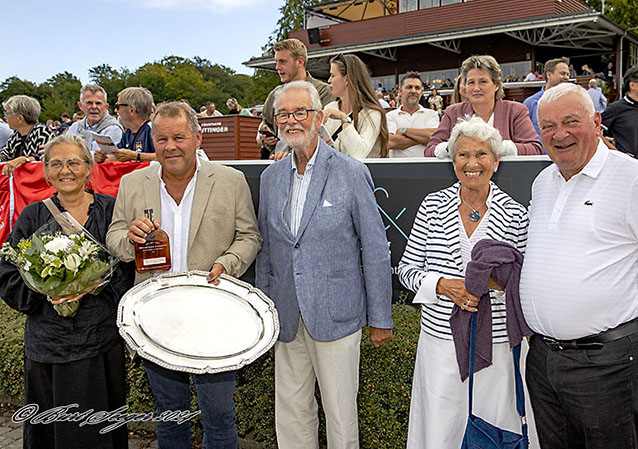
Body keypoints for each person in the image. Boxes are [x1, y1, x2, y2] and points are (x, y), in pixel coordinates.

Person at [520, 82, 638, 449]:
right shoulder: (544, 181)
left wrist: (636, 307)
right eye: (547, 125)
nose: (559, 134)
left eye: (571, 121)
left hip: (607, 362)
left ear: (596, 122)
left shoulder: (634, 179)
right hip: (544, 360)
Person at [106, 101, 262, 449]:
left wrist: (228, 263)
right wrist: (129, 240)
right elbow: (113, 237)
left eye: (179, 137)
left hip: (214, 317)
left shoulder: (230, 181)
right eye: (161, 139)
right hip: (155, 318)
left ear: (198, 137)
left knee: (220, 420)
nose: (170, 146)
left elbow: (250, 236)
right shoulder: (133, 184)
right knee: (170, 416)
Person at [255, 81, 393, 449]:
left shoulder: (350, 172)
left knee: (339, 412)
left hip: (337, 315)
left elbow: (375, 248)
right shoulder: (270, 178)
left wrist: (380, 316)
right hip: (286, 314)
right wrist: (266, 314)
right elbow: (268, 252)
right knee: (292, 410)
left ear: (318, 117)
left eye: (301, 112)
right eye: (284, 114)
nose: (292, 121)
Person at [398, 116, 539, 448]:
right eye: (463, 155)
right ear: (452, 160)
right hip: (440, 344)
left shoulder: (517, 214)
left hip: (497, 346)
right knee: (440, 431)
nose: (472, 163)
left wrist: (493, 283)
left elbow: (526, 281)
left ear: (496, 160)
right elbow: (406, 270)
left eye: (481, 154)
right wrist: (442, 284)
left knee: (495, 430)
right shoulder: (432, 207)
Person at [0, 134, 134, 448]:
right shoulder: (33, 215)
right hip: (48, 345)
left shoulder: (110, 210)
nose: (66, 170)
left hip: (99, 341)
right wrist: (46, 293)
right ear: (45, 172)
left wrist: (92, 285)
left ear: (89, 168)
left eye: (73, 162)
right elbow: (8, 270)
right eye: (56, 163)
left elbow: (127, 268)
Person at [424, 55, 542, 157]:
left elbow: (534, 149)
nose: (476, 88)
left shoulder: (515, 111)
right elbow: (430, 150)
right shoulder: (452, 112)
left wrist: (494, 146)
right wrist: (454, 147)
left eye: (483, 81)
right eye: (471, 82)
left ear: (496, 85)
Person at [259, 38, 334, 159]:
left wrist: (291, 155)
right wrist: (267, 140)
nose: (277, 67)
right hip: (280, 166)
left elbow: (329, 136)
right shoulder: (274, 95)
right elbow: (266, 132)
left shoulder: (324, 92)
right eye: (276, 62)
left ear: (300, 62)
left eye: (282, 61)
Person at [323, 53, 389, 158]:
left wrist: (344, 118)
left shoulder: (372, 113)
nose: (329, 80)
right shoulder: (329, 108)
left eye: (332, 75)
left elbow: (360, 153)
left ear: (347, 79)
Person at [386, 72, 440, 158]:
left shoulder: (431, 114)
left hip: (426, 168)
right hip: (398, 169)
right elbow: (391, 142)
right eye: (409, 87)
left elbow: (435, 138)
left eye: (417, 88)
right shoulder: (390, 116)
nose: (413, 91)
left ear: (421, 92)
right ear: (400, 91)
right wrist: (422, 139)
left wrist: (404, 131)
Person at [1, 95, 53, 177]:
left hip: (36, 185)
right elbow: (3, 156)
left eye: (7, 113)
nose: (5, 117)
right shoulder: (16, 136)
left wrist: (25, 159)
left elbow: (46, 160)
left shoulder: (42, 132)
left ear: (20, 118)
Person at [101, 87, 156, 163]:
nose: (116, 110)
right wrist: (102, 157)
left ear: (131, 110)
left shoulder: (152, 130)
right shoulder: (128, 132)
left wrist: (137, 156)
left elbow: (165, 157)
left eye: (118, 106)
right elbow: (116, 156)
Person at [66, 84, 123, 154]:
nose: (94, 107)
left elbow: (109, 157)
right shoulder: (75, 127)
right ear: (80, 106)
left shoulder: (113, 129)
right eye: (89, 103)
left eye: (98, 103)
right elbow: (65, 151)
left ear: (106, 106)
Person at [523, 57, 571, 138]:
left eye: (568, 74)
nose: (566, 77)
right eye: (563, 73)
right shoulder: (530, 103)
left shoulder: (571, 102)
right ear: (549, 75)